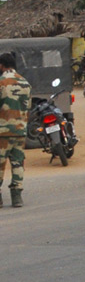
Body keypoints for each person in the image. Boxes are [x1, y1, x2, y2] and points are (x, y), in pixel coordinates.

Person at [0, 51, 32, 208]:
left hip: (2, 132)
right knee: (18, 163)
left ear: (1, 66)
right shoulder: (25, 83)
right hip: (20, 131)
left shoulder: (1, 82)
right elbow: (28, 108)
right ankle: (17, 196)